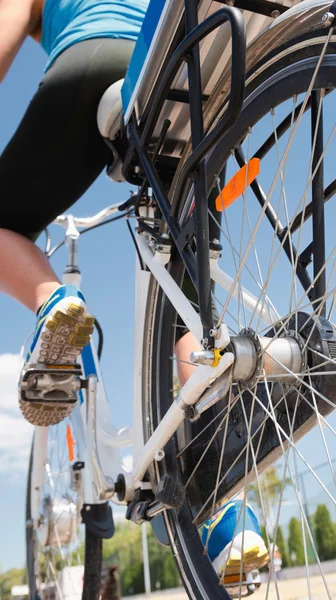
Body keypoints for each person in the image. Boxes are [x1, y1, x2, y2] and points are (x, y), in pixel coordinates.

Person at [0, 0, 268, 578]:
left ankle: (56, 303)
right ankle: (229, 515)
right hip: (185, 79)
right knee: (188, 320)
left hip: (95, 64)